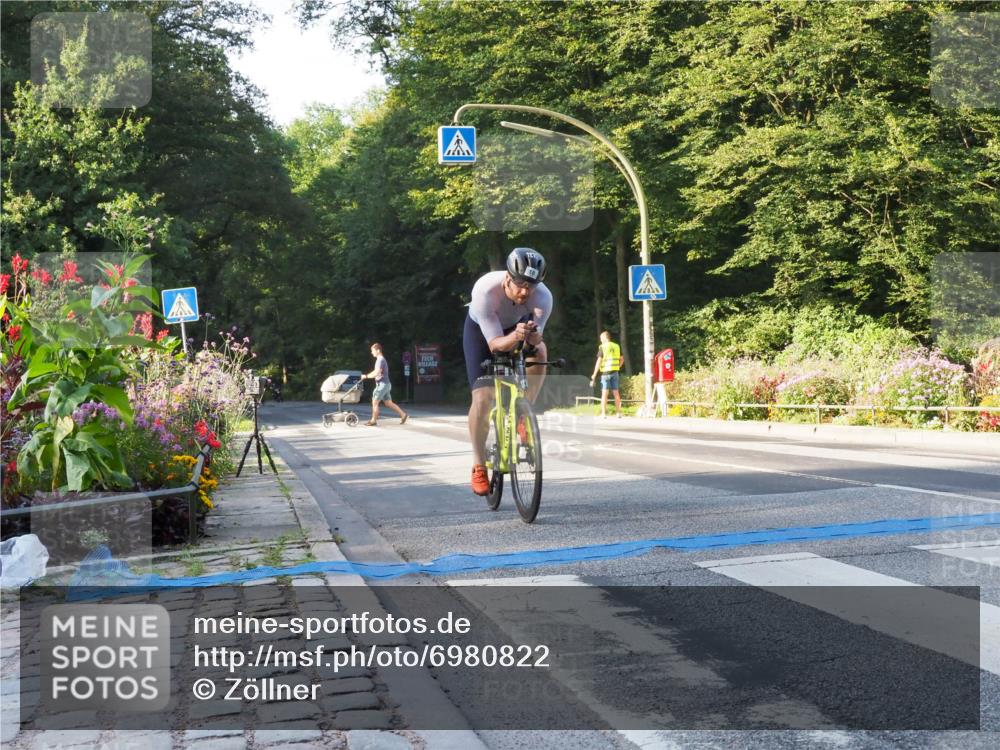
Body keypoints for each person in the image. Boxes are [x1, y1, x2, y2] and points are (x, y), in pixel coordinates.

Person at [464, 248, 552, 495]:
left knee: (541, 352)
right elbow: (495, 345)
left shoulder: (544, 297)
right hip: (483, 333)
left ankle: (524, 411)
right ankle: (479, 465)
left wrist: (533, 338)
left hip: (518, 327)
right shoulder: (485, 292)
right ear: (507, 279)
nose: (525, 292)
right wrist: (516, 335)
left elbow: (534, 342)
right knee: (482, 398)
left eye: (531, 287)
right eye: (521, 285)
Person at [362, 343, 408, 426]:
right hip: (386, 384)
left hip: (382, 385)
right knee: (388, 403)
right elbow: (376, 372)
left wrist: (366, 376)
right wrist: (367, 376)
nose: (372, 353)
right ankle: (403, 414)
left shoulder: (380, 360)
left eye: (372, 351)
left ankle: (373, 420)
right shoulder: (380, 360)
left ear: (378, 350)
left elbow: (376, 372)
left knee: (375, 402)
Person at [590, 331, 624, 418]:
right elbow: (622, 359)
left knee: (604, 394)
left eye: (601, 338)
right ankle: (619, 413)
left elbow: (599, 361)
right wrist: (618, 367)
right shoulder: (616, 346)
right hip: (615, 372)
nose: (601, 340)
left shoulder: (603, 347)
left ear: (605, 338)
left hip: (605, 373)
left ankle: (604, 414)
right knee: (616, 393)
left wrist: (594, 374)